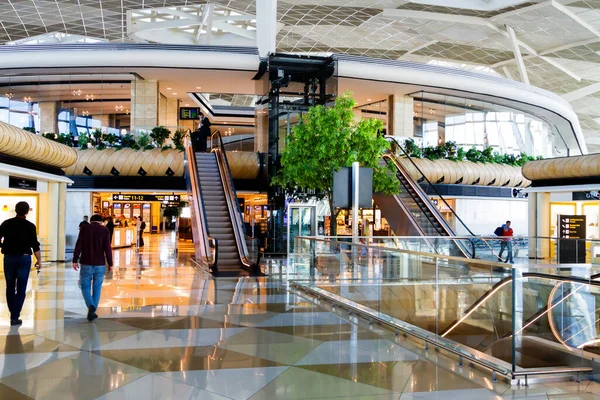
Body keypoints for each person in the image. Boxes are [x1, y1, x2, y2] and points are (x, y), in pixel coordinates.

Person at [0, 201, 41, 326]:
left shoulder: (6, 224)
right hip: (24, 258)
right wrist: (39, 260)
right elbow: (35, 244)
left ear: (15, 210)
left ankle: (13, 313)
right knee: (22, 287)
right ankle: (15, 315)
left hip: (9, 258)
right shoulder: (30, 226)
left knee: (10, 286)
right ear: (27, 211)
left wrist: (4, 246)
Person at [73, 214, 113, 322]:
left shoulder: (84, 228)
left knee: (85, 286)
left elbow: (78, 244)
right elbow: (107, 248)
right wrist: (111, 263)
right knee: (97, 288)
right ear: (101, 221)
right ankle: (92, 311)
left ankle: (90, 306)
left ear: (91, 221)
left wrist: (74, 260)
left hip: (86, 262)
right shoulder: (105, 230)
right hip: (100, 263)